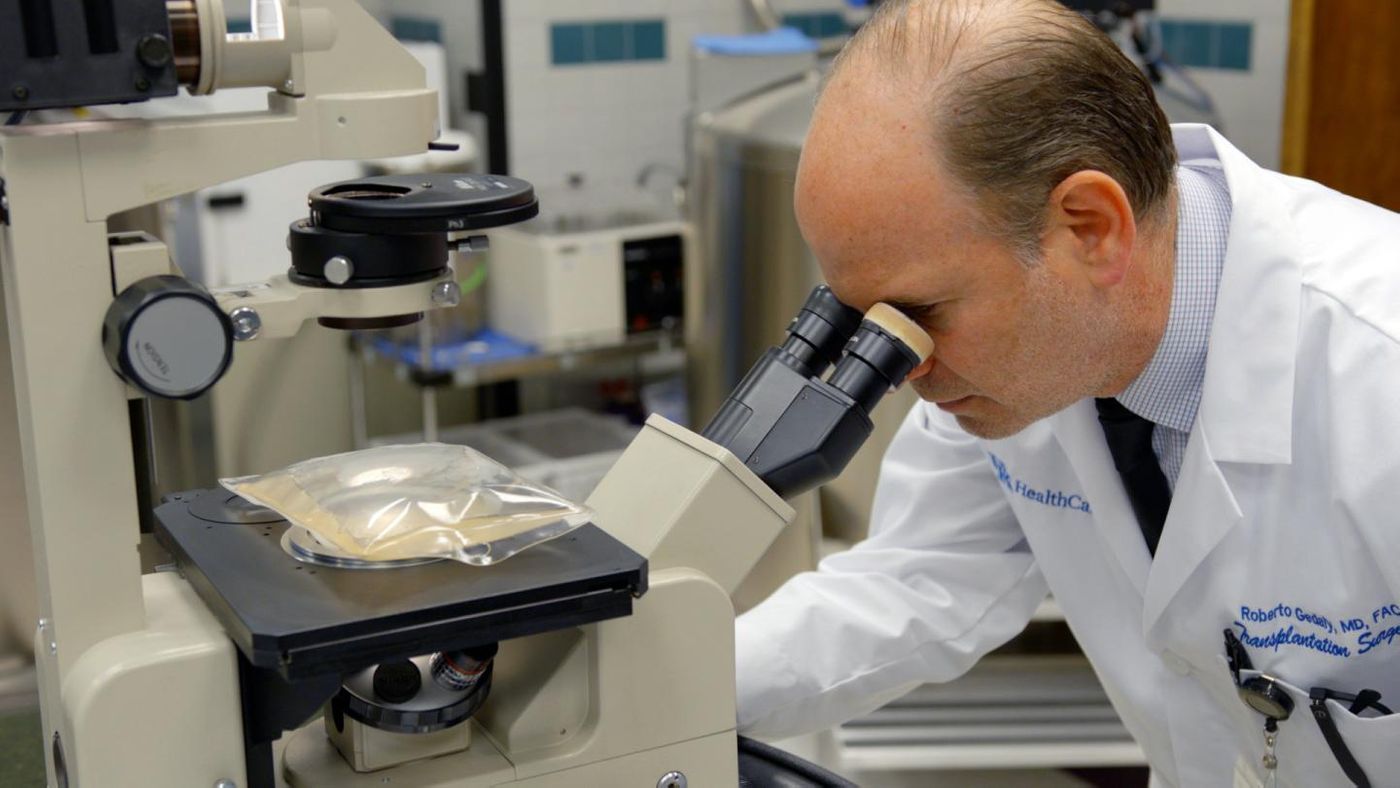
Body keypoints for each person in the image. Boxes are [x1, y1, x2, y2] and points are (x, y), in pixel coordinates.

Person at [733, 1, 1400, 786]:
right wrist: (633, 698)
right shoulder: (1035, 361)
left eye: (919, 315)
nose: (903, 368)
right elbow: (919, 578)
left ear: (1089, 226)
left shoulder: (1376, 370)